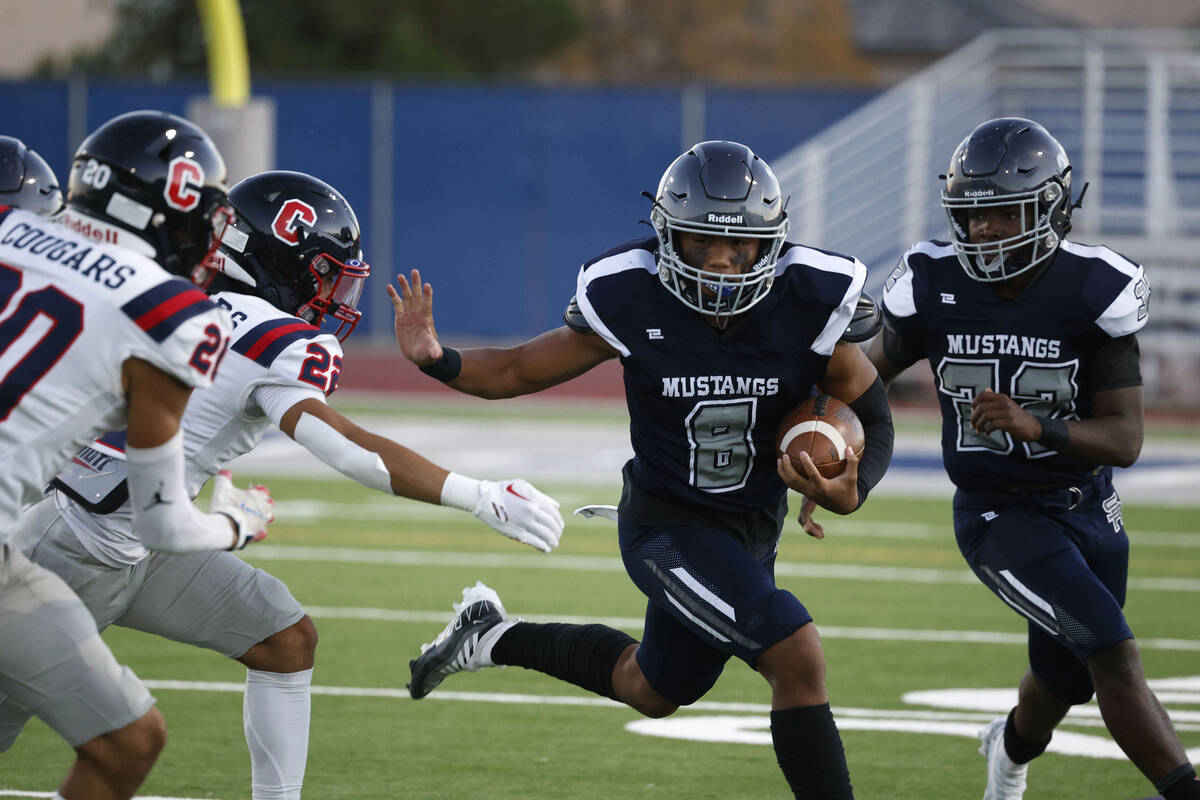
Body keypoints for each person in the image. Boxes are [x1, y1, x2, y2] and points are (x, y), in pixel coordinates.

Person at [3, 169, 565, 800]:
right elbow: (353, 452)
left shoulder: (182, 299)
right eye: (326, 275)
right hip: (70, 549)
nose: (334, 295)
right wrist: (477, 494)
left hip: (141, 539)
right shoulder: (265, 337)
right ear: (276, 260)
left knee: (282, 636)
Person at [390, 140, 895, 799]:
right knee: (795, 653)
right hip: (667, 526)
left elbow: (874, 417)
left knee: (652, 689)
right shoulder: (632, 296)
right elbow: (516, 369)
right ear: (665, 238)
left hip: (751, 528)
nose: (719, 264)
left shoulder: (809, 302)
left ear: (769, 245)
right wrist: (437, 358)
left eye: (738, 248)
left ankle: (492, 635)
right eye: (699, 245)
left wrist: (853, 486)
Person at [803, 117, 1199, 800]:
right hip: (996, 513)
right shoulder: (932, 280)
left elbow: (1126, 439)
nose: (986, 233)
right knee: (1113, 651)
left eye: (1004, 214)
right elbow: (862, 382)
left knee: (1064, 679)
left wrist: (1037, 426)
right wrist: (832, 444)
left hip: (1087, 506)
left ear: (1050, 207)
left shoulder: (1091, 289)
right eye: (974, 217)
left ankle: (1007, 749)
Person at [0, 115, 274, 800]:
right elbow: (160, 525)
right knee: (129, 740)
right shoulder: (173, 313)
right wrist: (238, 523)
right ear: (168, 211)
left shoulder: (10, 229)